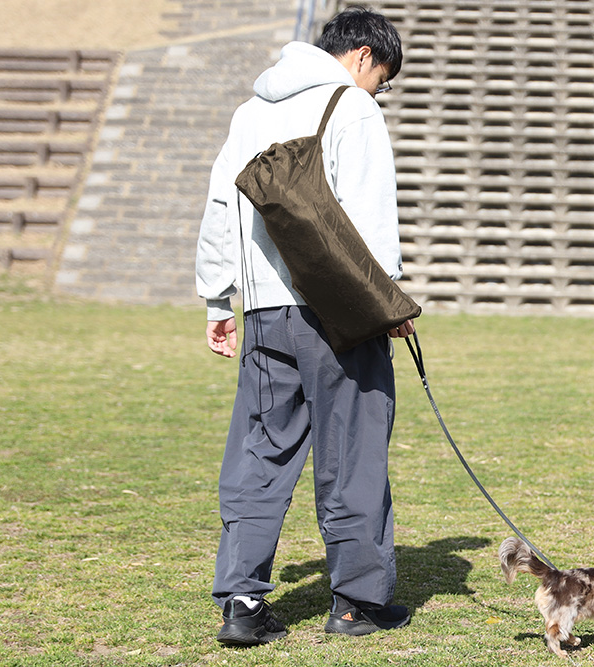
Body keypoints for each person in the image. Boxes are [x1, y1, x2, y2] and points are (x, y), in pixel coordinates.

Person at [195, 6, 415, 646]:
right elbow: (369, 220)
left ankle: (241, 601)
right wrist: (387, 301)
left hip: (264, 313)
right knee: (353, 454)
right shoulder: (353, 107)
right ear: (364, 56)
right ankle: (355, 604)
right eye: (385, 78)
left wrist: (217, 300)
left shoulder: (249, 113)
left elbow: (220, 206)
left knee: (260, 452)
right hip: (339, 314)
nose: (381, 91)